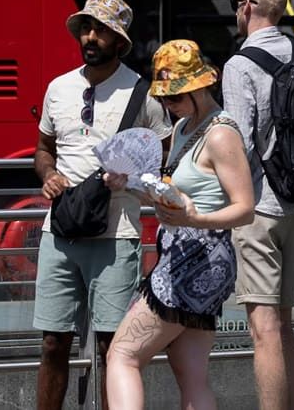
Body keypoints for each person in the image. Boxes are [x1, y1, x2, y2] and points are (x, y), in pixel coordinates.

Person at [32, 0, 171, 410]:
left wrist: (130, 178)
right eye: (86, 29)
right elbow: (43, 148)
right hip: (58, 231)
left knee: (114, 347)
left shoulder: (142, 94)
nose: (91, 37)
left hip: (118, 234)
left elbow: (162, 160)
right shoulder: (59, 87)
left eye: (102, 30)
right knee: (54, 342)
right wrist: (48, 174)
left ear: (120, 41)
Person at [106, 39, 254, 409]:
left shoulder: (220, 133)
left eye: (174, 98)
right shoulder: (187, 127)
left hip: (195, 258)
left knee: (122, 355)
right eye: (164, 100)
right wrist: (130, 185)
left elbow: (245, 208)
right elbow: (172, 196)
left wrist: (195, 218)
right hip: (192, 257)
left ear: (199, 88)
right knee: (190, 372)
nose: (167, 106)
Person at [222, 0, 294, 410]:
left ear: (247, 6)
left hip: (260, 207)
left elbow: (239, 144)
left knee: (263, 328)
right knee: (285, 326)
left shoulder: (240, 64)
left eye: (236, 3)